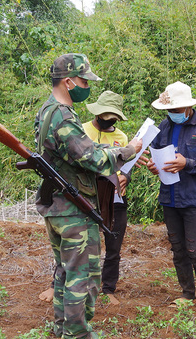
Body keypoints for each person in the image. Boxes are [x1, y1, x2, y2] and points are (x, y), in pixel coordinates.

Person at [35, 53, 142, 339]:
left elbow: (73, 151)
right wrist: (128, 150)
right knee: (84, 274)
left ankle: (62, 326)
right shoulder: (62, 114)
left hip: (58, 205)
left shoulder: (47, 110)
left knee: (65, 270)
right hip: (72, 207)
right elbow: (91, 157)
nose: (87, 86)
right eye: (84, 81)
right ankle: (78, 334)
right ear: (68, 82)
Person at [38, 90, 134, 306]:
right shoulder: (80, 131)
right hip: (84, 195)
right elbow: (86, 159)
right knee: (73, 244)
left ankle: (108, 288)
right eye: (105, 113)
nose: (108, 119)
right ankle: (57, 285)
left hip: (113, 197)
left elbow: (124, 166)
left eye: (113, 116)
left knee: (113, 245)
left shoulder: (121, 137)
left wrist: (125, 176)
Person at [146, 81, 196, 320]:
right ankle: (187, 294)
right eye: (170, 110)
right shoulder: (163, 127)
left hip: (194, 198)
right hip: (170, 197)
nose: (173, 114)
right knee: (178, 249)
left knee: (195, 249)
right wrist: (154, 166)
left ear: (189, 107)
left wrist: (187, 163)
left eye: (177, 110)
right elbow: (158, 155)